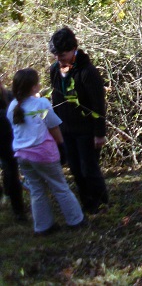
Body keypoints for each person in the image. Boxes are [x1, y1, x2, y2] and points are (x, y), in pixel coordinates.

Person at [7, 68, 84, 235]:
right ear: (34, 87)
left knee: (36, 190)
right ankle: (76, 220)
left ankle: (43, 226)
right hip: (42, 154)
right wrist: (62, 147)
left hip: (22, 155)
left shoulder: (12, 106)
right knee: (59, 187)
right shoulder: (41, 104)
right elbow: (54, 128)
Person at [49, 27, 109, 213]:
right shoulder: (54, 71)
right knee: (75, 169)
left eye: (63, 54)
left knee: (88, 169)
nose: (60, 58)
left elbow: (98, 104)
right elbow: (56, 99)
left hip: (86, 130)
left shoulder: (88, 72)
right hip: (66, 130)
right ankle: (88, 204)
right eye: (56, 54)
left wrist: (99, 134)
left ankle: (101, 201)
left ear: (74, 48)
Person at [0, 77, 26, 222]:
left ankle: (19, 211)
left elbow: (16, 116)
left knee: (11, 173)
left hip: (7, 140)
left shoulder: (9, 96)